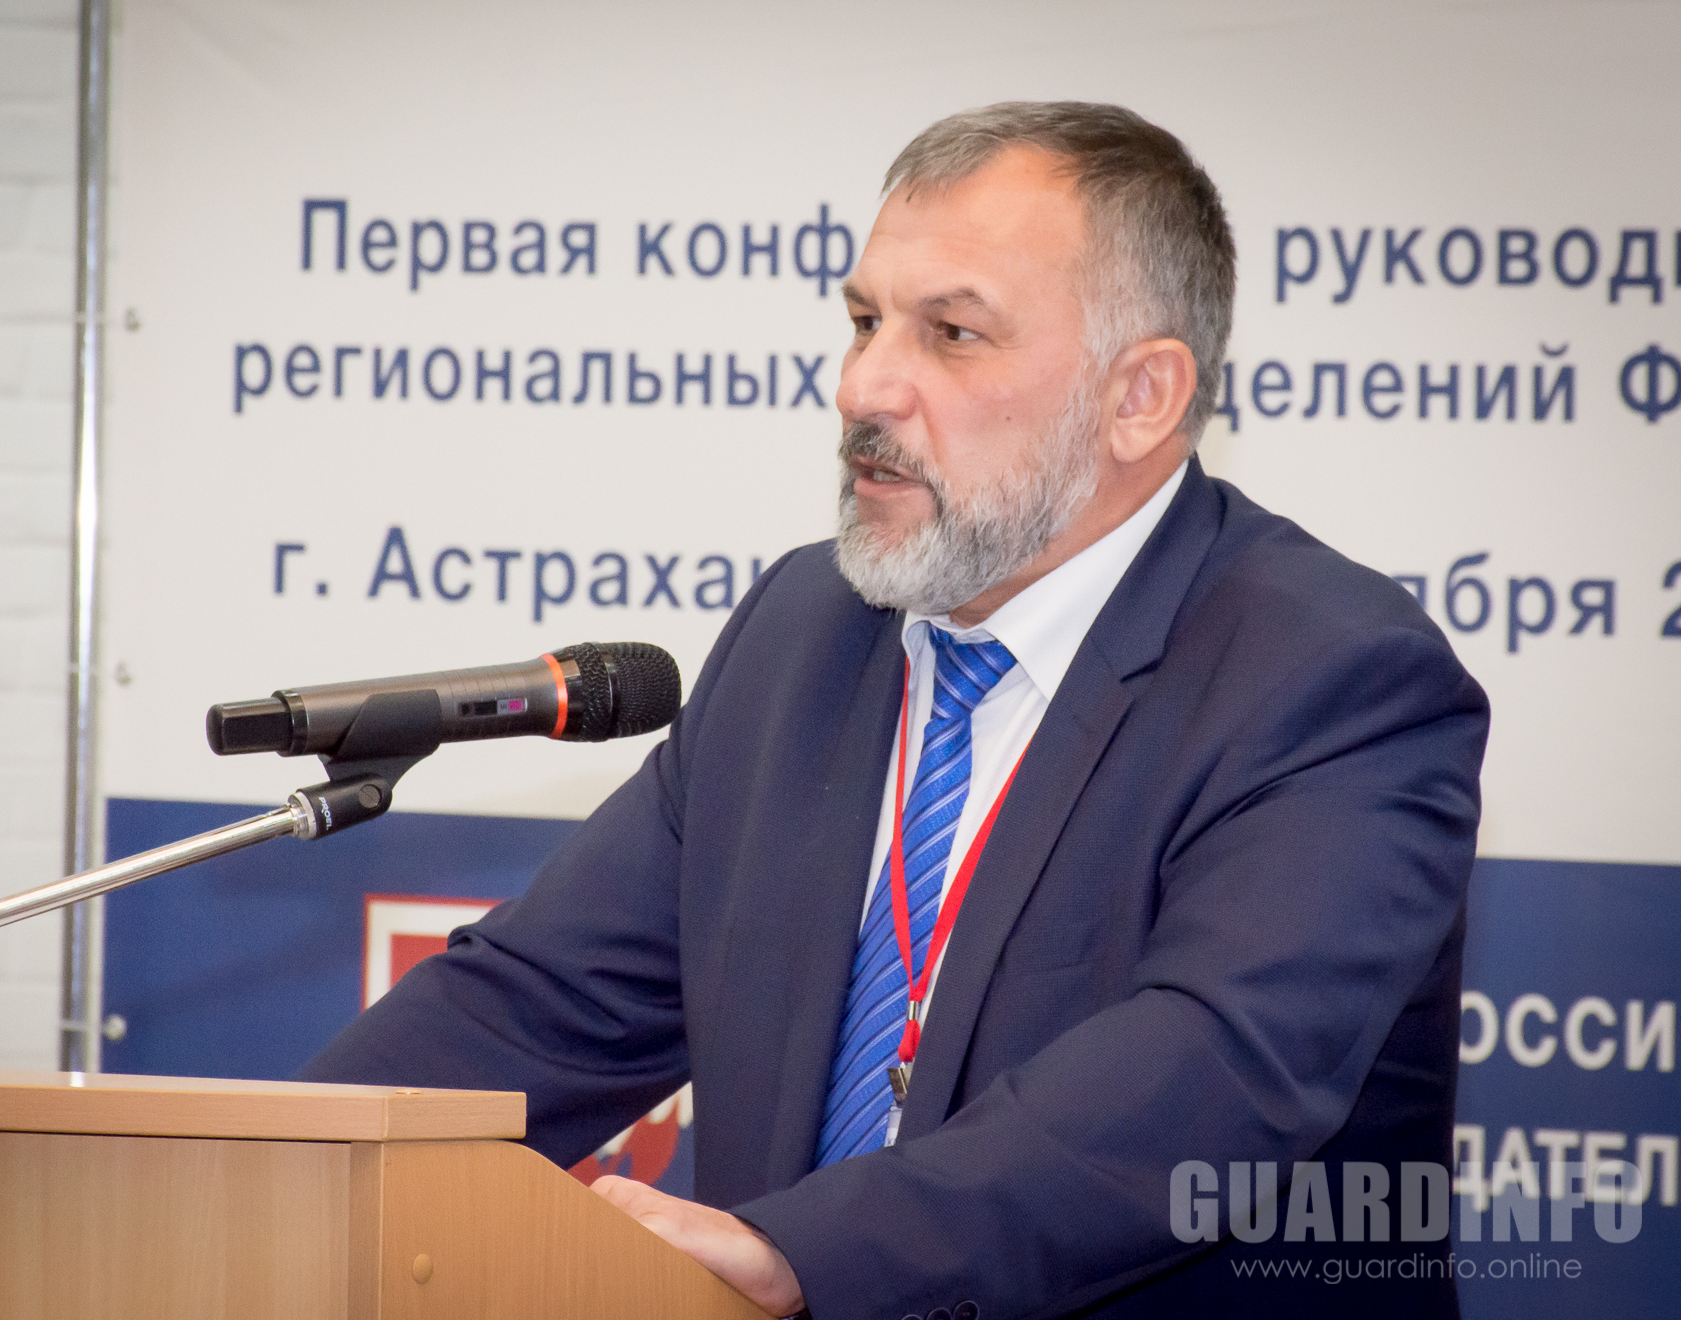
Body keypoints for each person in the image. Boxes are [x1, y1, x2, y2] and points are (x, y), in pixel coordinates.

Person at [300, 102, 1488, 1319]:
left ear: (1141, 395)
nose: (860, 385)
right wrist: (270, 1171)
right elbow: (544, 1008)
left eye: (952, 333)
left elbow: (1208, 1079)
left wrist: (806, 1252)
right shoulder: (804, 634)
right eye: (865, 321)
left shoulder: (1333, 682)